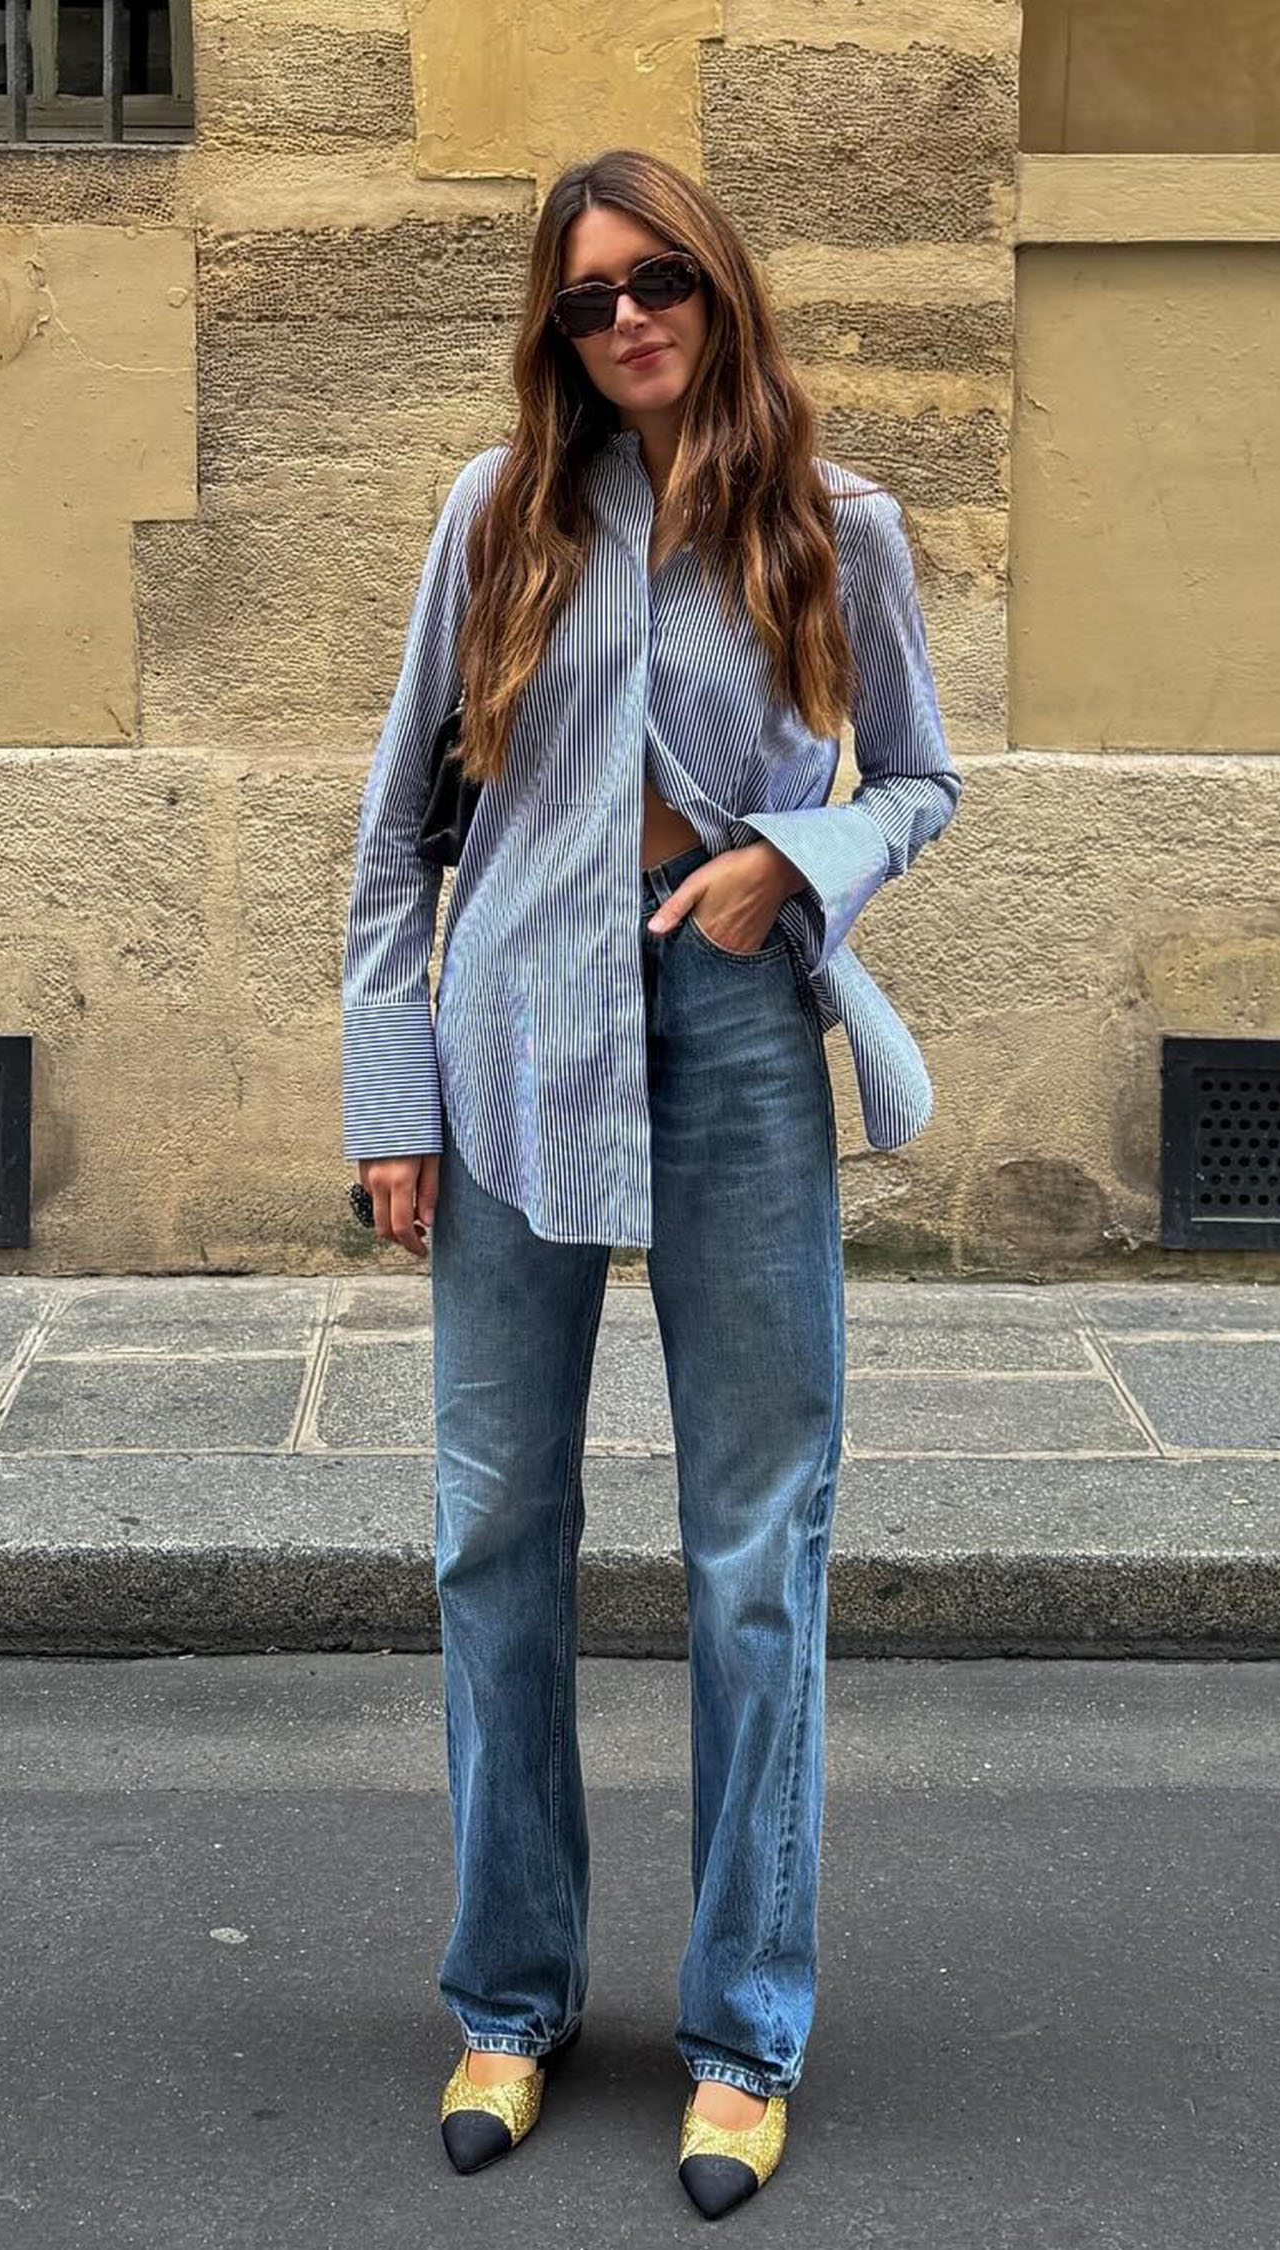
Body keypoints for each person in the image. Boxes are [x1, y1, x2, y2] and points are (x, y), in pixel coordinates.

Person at [340, 145, 963, 2222]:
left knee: (753, 1553)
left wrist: (797, 857)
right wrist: (386, 1097)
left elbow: (925, 782)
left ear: (720, 288)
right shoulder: (494, 514)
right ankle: (511, 2001)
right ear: (555, 325)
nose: (626, 321)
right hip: (510, 1039)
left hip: (724, 1047)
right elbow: (394, 836)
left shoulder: (832, 527)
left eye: (659, 282)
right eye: (589, 296)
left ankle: (741, 2032)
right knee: (490, 1527)